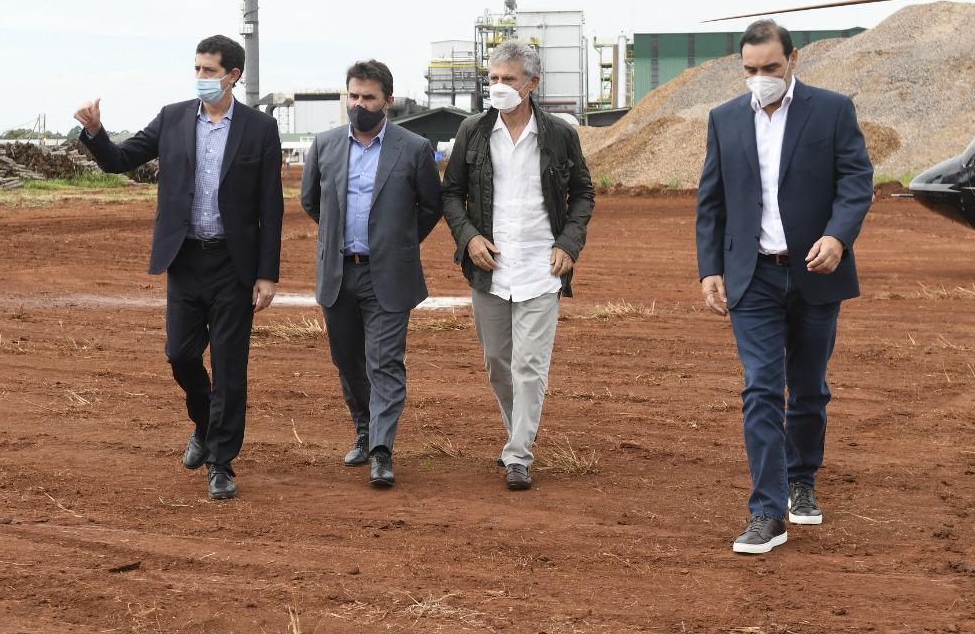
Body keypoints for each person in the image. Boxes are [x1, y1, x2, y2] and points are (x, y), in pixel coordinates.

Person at [73, 34, 283, 501]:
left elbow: (272, 205)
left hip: (235, 265)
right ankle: (205, 424)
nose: (201, 78)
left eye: (209, 71)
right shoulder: (172, 119)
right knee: (180, 354)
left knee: (230, 367)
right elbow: (120, 159)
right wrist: (95, 133)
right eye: (197, 69)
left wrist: (267, 274)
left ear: (233, 76)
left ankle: (221, 463)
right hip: (185, 259)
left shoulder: (258, 129)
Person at [696, 19, 873, 554]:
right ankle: (767, 513)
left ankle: (802, 481)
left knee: (810, 386)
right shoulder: (724, 119)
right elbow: (712, 201)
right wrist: (710, 269)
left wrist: (838, 238)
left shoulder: (832, 109)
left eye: (770, 68)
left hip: (817, 271)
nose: (760, 78)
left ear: (792, 61)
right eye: (750, 70)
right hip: (753, 276)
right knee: (762, 389)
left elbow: (855, 181)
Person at [441, 40, 595, 491]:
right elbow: (450, 193)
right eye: (493, 78)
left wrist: (569, 243)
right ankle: (518, 434)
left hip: (541, 266)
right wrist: (468, 237)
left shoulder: (560, 134)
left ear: (532, 83)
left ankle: (518, 454)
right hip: (489, 268)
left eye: (508, 79)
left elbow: (583, 192)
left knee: (529, 364)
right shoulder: (473, 131)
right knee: (497, 363)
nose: (499, 86)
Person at [300, 60, 443, 487]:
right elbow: (313, 203)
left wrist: (396, 244)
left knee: (384, 362)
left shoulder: (413, 148)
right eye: (354, 96)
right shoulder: (324, 145)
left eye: (369, 98)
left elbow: (430, 207)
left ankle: (382, 450)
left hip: (388, 275)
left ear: (388, 102)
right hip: (339, 273)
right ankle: (363, 430)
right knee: (348, 361)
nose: (359, 104)